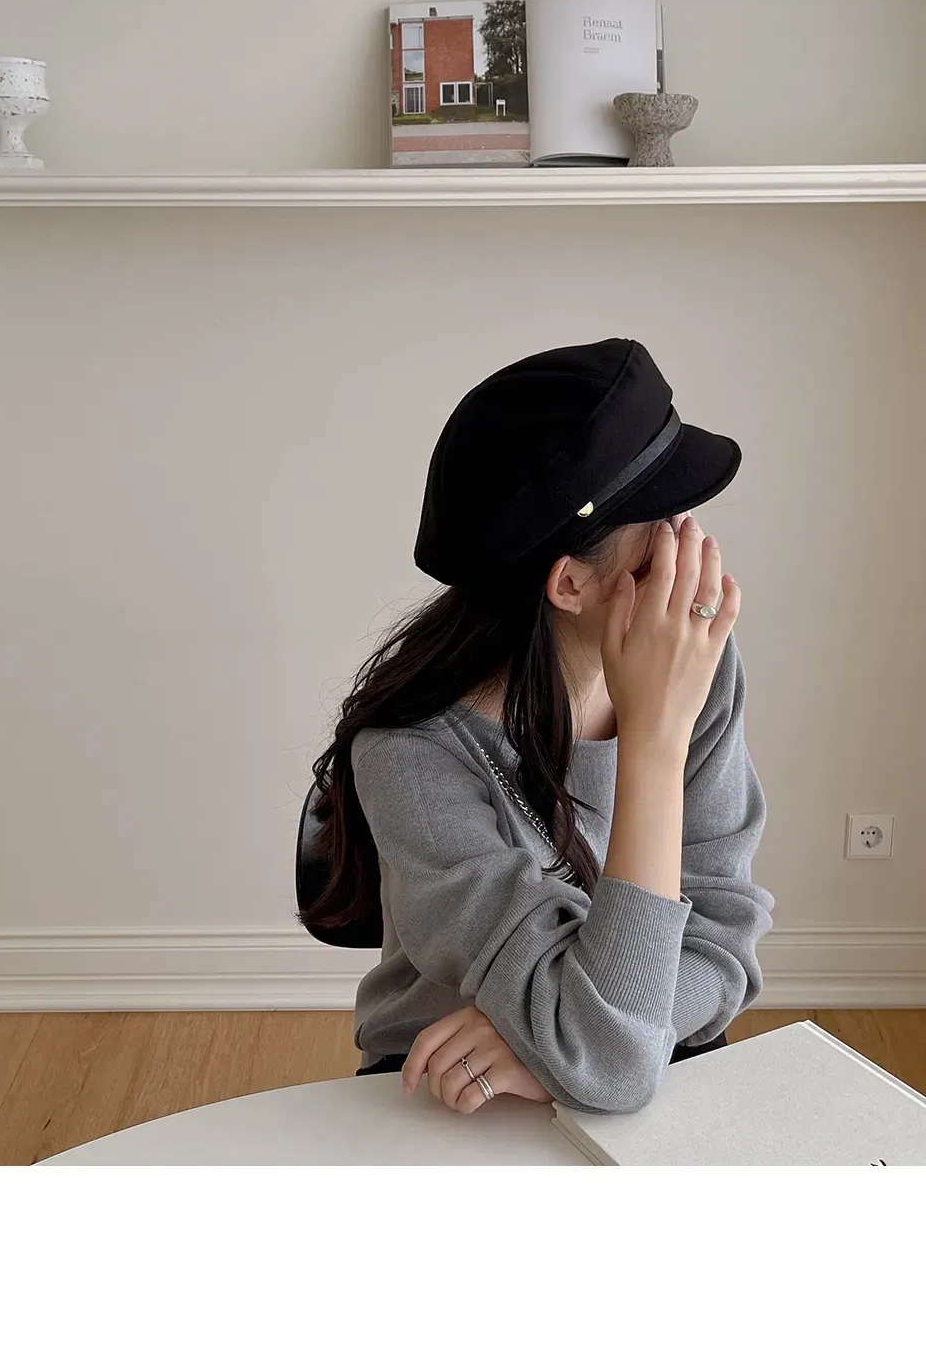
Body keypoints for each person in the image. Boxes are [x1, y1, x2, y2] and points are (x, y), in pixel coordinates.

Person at [301, 338, 774, 1116]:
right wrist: (654, 742)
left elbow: (723, 935)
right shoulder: (410, 753)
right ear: (571, 583)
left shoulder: (698, 666)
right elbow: (610, 1062)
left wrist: (567, 1043)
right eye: (662, 517)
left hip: (617, 1056)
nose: (690, 538)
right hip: (453, 1079)